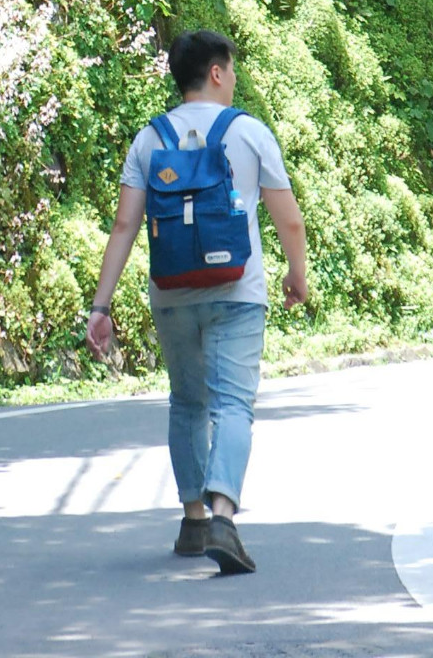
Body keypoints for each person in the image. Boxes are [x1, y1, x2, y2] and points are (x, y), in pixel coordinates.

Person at [85, 30, 308, 576]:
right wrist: (296, 273)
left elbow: (124, 225)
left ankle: (191, 520)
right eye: (230, 69)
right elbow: (289, 218)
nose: (233, 78)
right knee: (233, 404)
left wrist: (100, 305)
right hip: (237, 290)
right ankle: (224, 516)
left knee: (187, 403)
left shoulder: (149, 139)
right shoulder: (249, 132)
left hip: (172, 292)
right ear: (215, 72)